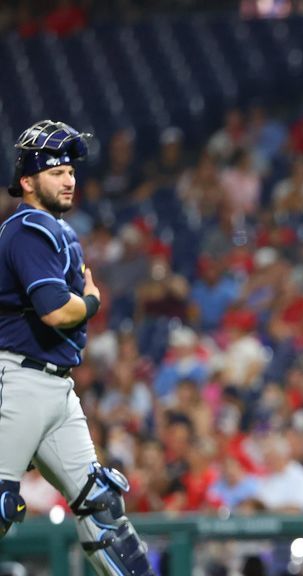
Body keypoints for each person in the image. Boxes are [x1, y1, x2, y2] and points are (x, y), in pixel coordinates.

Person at [0, 120, 155, 575]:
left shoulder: (47, 227)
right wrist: (89, 301)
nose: (68, 179)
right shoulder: (29, 228)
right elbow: (54, 310)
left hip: (53, 389)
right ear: (27, 181)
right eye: (55, 171)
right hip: (19, 381)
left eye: (70, 170)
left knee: (101, 506)